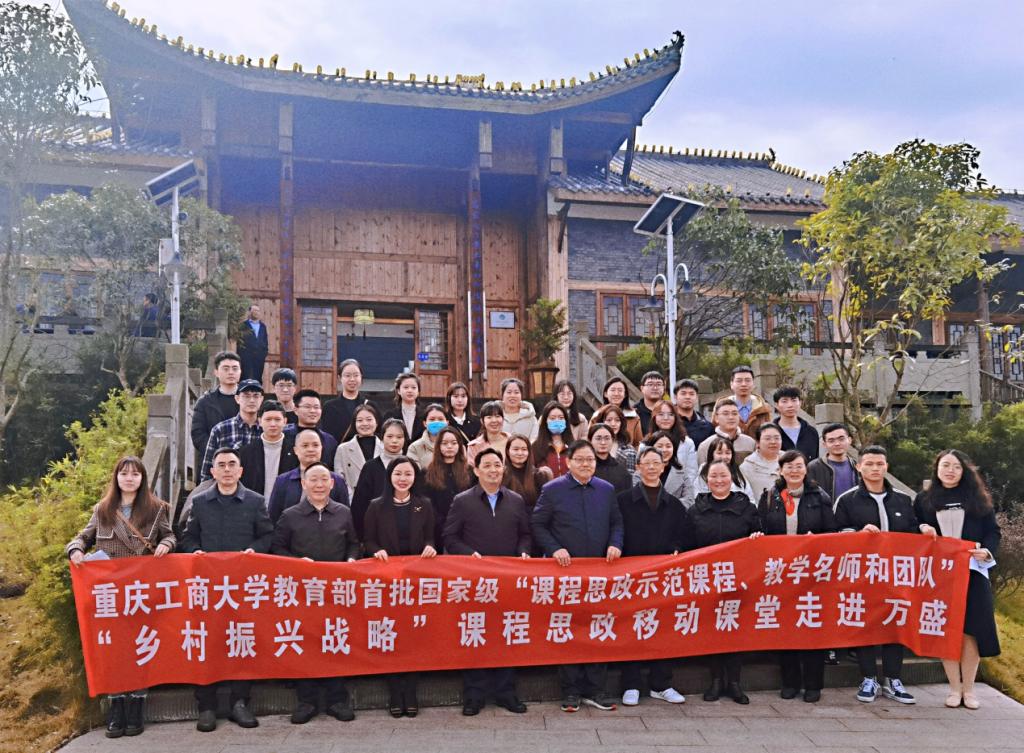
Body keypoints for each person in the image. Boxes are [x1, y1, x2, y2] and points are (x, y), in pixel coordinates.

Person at [67, 456, 174, 739]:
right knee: (114, 649)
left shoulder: (157, 508)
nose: (129, 478)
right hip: (111, 590)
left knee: (140, 644)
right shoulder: (103, 509)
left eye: (135, 474)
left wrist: (165, 544)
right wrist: (75, 550)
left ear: (143, 478)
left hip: (140, 589)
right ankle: (116, 705)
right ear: (116, 477)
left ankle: (137, 704)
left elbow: (170, 536)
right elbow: (82, 537)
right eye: (124, 473)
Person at [834, 445, 937, 705]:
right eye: (869, 464)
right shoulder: (847, 500)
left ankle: (893, 679)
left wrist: (923, 528)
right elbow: (836, 533)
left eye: (879, 464)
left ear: (887, 467)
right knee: (865, 624)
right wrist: (857, 534)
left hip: (896, 575)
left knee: (896, 623)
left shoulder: (902, 499)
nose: (875, 468)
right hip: (863, 575)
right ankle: (868, 678)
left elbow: (912, 529)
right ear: (859, 467)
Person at [180, 447, 273, 732]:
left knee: (242, 640)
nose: (227, 469)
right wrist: (195, 552)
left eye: (232, 464)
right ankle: (206, 705)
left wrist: (254, 550)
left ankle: (239, 702)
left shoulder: (255, 501)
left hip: (243, 587)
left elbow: (268, 535)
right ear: (213, 471)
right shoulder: (200, 502)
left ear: (241, 470)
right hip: (209, 588)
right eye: (221, 465)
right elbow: (188, 538)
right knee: (208, 643)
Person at [532, 440, 624, 713]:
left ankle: (596, 689)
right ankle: (570, 690)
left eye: (590, 460)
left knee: (597, 628)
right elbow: (538, 524)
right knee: (569, 629)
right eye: (580, 459)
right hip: (566, 574)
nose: (586, 464)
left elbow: (617, 522)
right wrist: (555, 549)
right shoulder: (552, 490)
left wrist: (615, 544)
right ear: (568, 462)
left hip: (599, 574)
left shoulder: (606, 489)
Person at [444, 448, 532, 715]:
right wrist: (469, 554)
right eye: (488, 465)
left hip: (508, 581)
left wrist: (523, 551)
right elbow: (450, 537)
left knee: (506, 634)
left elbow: (525, 534)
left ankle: (506, 693)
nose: (494, 470)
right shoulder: (463, 501)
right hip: (475, 582)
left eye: (497, 465)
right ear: (477, 470)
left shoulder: (515, 500)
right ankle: (474, 695)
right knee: (476, 634)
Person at [271, 462, 359, 723]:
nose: (319, 485)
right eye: (313, 480)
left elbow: (354, 543)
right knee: (305, 643)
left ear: (332, 484)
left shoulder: (343, 513)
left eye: (324, 480)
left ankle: (337, 699)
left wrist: (352, 559)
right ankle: (306, 700)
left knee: (336, 640)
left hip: (336, 590)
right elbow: (277, 548)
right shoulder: (290, 515)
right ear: (304, 484)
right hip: (303, 592)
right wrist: (297, 564)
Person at [913, 450, 1000, 710]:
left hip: (973, 572)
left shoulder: (978, 498)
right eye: (945, 465)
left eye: (956, 467)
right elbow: (912, 525)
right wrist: (921, 528)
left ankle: (969, 690)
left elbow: (993, 532)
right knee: (946, 628)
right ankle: (953, 688)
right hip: (940, 574)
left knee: (971, 630)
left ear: (965, 471)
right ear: (937, 469)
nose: (950, 471)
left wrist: (987, 551)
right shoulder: (924, 499)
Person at [758, 450, 837, 703]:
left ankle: (813, 684)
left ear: (806, 469)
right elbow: (761, 529)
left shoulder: (819, 496)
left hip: (811, 572)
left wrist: (817, 540)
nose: (794, 471)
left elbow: (832, 533)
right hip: (781, 574)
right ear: (781, 470)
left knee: (812, 625)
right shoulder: (770, 496)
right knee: (786, 627)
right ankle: (790, 682)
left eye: (799, 466)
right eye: (789, 466)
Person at [363, 457, 437, 718]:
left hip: (415, 581)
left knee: (413, 636)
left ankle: (411, 691)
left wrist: (430, 547)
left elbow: (431, 537)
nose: (403, 479)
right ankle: (395, 691)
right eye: (398, 474)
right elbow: (368, 540)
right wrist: (376, 551)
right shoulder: (376, 506)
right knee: (391, 635)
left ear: (415, 478)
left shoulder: (424, 505)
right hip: (387, 581)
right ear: (389, 477)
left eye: (408, 474)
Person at [686, 459, 763, 704]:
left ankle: (735, 682)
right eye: (713, 476)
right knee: (712, 631)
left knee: (735, 630)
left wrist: (757, 537)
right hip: (707, 580)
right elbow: (688, 545)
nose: (719, 480)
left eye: (723, 476)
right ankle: (716, 680)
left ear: (732, 478)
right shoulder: (696, 509)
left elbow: (759, 539)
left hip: (739, 580)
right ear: (706, 480)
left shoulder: (747, 507)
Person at [617, 446, 688, 707]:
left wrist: (677, 549)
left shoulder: (675, 505)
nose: (651, 467)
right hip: (632, 576)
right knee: (631, 627)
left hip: (664, 578)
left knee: (664, 628)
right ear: (638, 467)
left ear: (663, 466)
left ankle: (661, 684)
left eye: (656, 463)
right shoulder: (623, 501)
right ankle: (631, 684)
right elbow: (616, 532)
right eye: (645, 463)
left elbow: (683, 536)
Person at [267, 428, 349, 524]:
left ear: (321, 448)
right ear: (295, 450)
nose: (310, 449)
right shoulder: (283, 481)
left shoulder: (337, 480)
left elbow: (344, 517)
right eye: (305, 446)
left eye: (315, 445)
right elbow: (274, 517)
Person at [351, 418, 408, 538]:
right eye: (390, 436)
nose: (394, 441)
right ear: (382, 438)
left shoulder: (411, 466)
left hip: (405, 530)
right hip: (375, 531)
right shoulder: (370, 467)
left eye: (399, 437)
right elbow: (359, 504)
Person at [200, 379, 264, 481]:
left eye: (256, 396)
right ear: (237, 399)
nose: (252, 400)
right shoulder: (220, 430)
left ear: (261, 399)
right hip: (228, 487)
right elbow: (207, 471)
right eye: (246, 396)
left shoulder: (266, 430)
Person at [423, 427, 475, 545]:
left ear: (460, 445)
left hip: (466, 528)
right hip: (438, 529)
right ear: (438, 446)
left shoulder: (470, 471)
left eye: (454, 443)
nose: (449, 446)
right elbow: (427, 502)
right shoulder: (427, 472)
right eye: (445, 443)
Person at [239, 399, 298, 501]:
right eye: (268, 419)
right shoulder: (246, 452)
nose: (273, 424)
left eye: (277, 419)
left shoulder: (295, 450)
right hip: (255, 506)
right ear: (260, 421)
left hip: (287, 506)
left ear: (285, 421)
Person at [191, 351, 242, 460]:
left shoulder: (248, 400)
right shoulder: (205, 402)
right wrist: (217, 453)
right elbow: (198, 434)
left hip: (244, 459)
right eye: (226, 369)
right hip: (213, 461)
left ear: (240, 371)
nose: (231, 372)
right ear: (216, 372)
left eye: (235, 368)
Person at [333, 403, 383, 497]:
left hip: (381, 499)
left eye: (369, 419)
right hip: (353, 499)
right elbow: (339, 479)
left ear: (376, 422)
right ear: (354, 424)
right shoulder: (343, 449)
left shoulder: (385, 447)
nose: (365, 423)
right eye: (360, 420)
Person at [646, 398, 698, 484]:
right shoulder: (646, 443)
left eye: (670, 414)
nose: (666, 418)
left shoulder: (687, 443)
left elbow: (692, 473)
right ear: (654, 417)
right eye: (661, 414)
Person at [635, 430, 693, 506]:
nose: (664, 450)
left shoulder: (682, 472)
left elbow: (689, 500)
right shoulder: (640, 472)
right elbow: (637, 499)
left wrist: (668, 507)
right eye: (659, 446)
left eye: (668, 446)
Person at [322, 359, 374, 442]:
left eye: (356, 375)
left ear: (361, 377)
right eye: (347, 375)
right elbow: (326, 437)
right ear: (339, 378)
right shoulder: (329, 407)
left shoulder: (370, 406)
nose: (352, 379)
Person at [712, 366, 771, 439]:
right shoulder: (721, 407)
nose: (744, 384)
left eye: (748, 380)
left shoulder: (763, 408)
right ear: (731, 384)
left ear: (753, 384)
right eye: (739, 381)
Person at [807, 423, 860, 502]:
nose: (837, 444)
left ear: (849, 440)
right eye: (831, 441)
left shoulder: (856, 466)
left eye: (841, 439)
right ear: (824, 444)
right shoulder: (814, 467)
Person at [695, 436, 755, 504]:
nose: (724, 457)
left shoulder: (737, 471)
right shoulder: (704, 472)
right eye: (719, 453)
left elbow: (750, 498)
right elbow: (698, 497)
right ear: (711, 454)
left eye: (727, 453)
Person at [697, 398, 756, 465]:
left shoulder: (750, 443)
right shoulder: (706, 445)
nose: (731, 417)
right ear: (716, 418)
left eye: (734, 413)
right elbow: (703, 470)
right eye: (725, 414)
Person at [285, 389, 338, 462]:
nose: (312, 411)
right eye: (307, 407)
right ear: (295, 410)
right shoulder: (284, 436)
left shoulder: (329, 440)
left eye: (316, 407)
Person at [502, 434, 553, 511]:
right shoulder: (501, 475)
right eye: (515, 449)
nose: (520, 453)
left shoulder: (540, 475)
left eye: (524, 449)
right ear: (508, 452)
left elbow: (546, 505)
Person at [740, 423, 784, 505]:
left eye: (777, 438)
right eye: (767, 438)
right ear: (758, 443)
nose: (773, 442)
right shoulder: (747, 467)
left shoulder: (789, 460)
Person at [773, 386, 819, 460]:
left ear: (800, 403)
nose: (790, 405)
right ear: (776, 405)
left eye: (794, 400)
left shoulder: (811, 432)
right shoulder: (771, 432)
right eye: (784, 401)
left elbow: (815, 461)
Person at [590, 403, 638, 472]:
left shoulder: (629, 450)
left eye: (617, 420)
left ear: (622, 423)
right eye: (609, 420)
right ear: (601, 421)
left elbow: (631, 476)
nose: (613, 424)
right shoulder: (590, 446)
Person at [533, 400, 574, 478]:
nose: (557, 421)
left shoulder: (574, 446)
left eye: (561, 418)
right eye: (552, 418)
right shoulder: (536, 447)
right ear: (545, 421)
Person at [589, 423, 631, 494]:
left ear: (613, 440)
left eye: (607, 438)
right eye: (598, 438)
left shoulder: (622, 472)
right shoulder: (584, 468)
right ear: (590, 440)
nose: (603, 442)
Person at [601, 376, 642, 446]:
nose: (616, 394)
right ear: (605, 394)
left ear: (625, 394)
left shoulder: (634, 417)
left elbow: (638, 444)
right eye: (613, 390)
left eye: (620, 390)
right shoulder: (598, 415)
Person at [407, 403, 449, 469]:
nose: (436, 422)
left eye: (440, 419)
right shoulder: (415, 447)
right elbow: (413, 471)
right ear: (425, 423)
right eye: (432, 419)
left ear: (447, 422)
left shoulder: (456, 445)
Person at [384, 373, 424, 442]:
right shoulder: (390, 415)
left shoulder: (425, 415)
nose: (410, 390)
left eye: (413, 387)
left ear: (418, 392)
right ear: (398, 391)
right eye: (406, 387)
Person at [466, 401, 509, 465]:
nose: (494, 420)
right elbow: (472, 469)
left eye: (497, 416)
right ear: (482, 421)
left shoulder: (511, 440)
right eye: (489, 417)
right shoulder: (474, 446)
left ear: (503, 419)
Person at [674, 378, 713, 448]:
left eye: (691, 394)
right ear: (675, 397)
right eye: (683, 393)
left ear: (697, 397)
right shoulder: (668, 422)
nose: (687, 397)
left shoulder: (706, 426)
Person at [238, 303, 269, 383]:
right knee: (245, 376)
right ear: (249, 312)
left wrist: (264, 353)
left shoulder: (263, 326)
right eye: (254, 310)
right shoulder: (244, 325)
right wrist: (242, 355)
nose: (256, 312)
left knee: (257, 377)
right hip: (246, 357)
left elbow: (265, 340)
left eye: (258, 311)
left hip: (259, 357)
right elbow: (240, 342)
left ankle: (257, 390)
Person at [634, 371, 667, 435]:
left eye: (659, 384)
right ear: (642, 388)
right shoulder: (634, 411)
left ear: (664, 388)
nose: (655, 388)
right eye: (650, 384)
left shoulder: (671, 410)